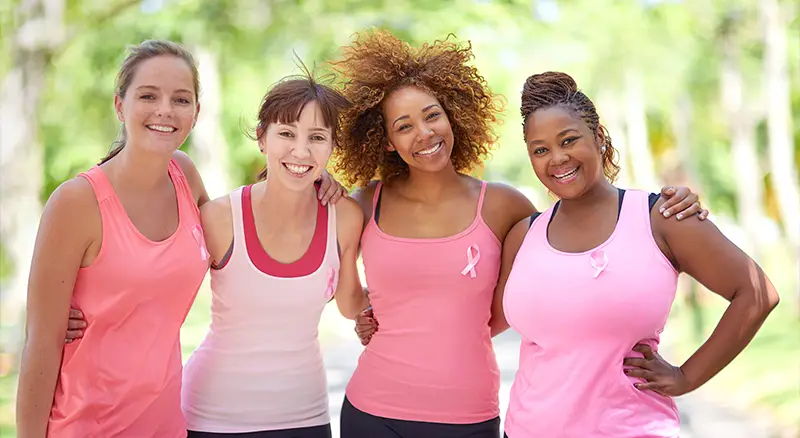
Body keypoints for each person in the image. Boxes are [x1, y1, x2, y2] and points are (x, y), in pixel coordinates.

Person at [330, 29, 707, 438]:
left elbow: (577, 234)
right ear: (385, 141)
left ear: (452, 114)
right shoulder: (366, 202)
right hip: (371, 410)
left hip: (467, 416)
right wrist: (370, 315)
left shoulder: (505, 208)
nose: (424, 133)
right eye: (404, 126)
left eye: (432, 115)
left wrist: (672, 204)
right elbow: (341, 279)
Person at [17, 40, 344, 438]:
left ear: (195, 113)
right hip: (86, 425)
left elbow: (247, 227)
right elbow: (41, 345)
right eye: (148, 95)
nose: (165, 110)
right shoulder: (75, 202)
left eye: (181, 99)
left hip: (168, 424)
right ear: (120, 105)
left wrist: (310, 177)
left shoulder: (184, 177)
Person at [498, 72, 780, 437]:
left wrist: (686, 377)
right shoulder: (524, 234)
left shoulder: (661, 218)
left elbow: (756, 293)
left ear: (598, 137)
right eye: (540, 149)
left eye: (569, 140)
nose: (557, 158)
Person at [181, 70, 368, 438]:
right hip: (212, 417)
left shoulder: (344, 217)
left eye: (317, 138)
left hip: (305, 417)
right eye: (286, 133)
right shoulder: (220, 218)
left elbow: (351, 305)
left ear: (332, 147)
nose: (301, 151)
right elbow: (164, 297)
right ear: (262, 138)